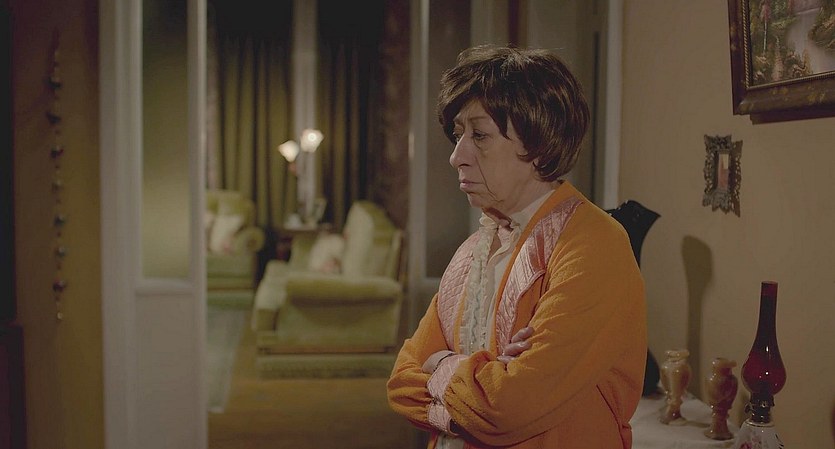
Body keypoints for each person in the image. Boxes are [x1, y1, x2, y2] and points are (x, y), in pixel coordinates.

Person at [386, 45, 647, 448]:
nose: (456, 156)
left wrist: (442, 364)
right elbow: (402, 384)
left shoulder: (594, 244)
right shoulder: (474, 249)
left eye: (479, 135)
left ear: (538, 142)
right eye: (458, 134)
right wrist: (479, 381)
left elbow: (509, 407)